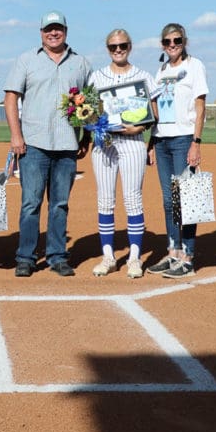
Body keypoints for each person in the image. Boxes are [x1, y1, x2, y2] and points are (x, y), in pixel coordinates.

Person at [4, 11, 92, 278]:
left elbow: (90, 103)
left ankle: (56, 256)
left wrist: (85, 136)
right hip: (33, 144)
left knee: (60, 204)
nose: (53, 34)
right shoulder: (26, 60)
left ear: (66, 30)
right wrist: (16, 135)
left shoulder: (80, 63)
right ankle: (26, 257)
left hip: (66, 144)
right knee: (31, 203)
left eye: (58, 29)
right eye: (48, 29)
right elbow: (11, 98)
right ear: (41, 32)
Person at [88, 29, 157, 279]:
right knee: (105, 200)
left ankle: (134, 258)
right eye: (113, 46)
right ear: (107, 48)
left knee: (133, 199)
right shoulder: (97, 77)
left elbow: (153, 113)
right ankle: (108, 257)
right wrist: (92, 125)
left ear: (130, 46)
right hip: (104, 144)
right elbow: (87, 110)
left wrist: (140, 126)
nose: (118, 50)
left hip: (133, 142)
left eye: (123, 45)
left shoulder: (143, 76)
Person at [148, 23, 209, 279]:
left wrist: (196, 141)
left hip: (184, 139)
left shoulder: (195, 66)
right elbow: (156, 108)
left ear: (184, 41)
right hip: (162, 140)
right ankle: (173, 252)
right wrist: (152, 141)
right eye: (167, 41)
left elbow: (200, 104)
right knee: (168, 201)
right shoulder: (161, 70)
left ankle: (188, 256)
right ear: (162, 44)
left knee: (186, 199)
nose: (172, 45)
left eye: (177, 40)